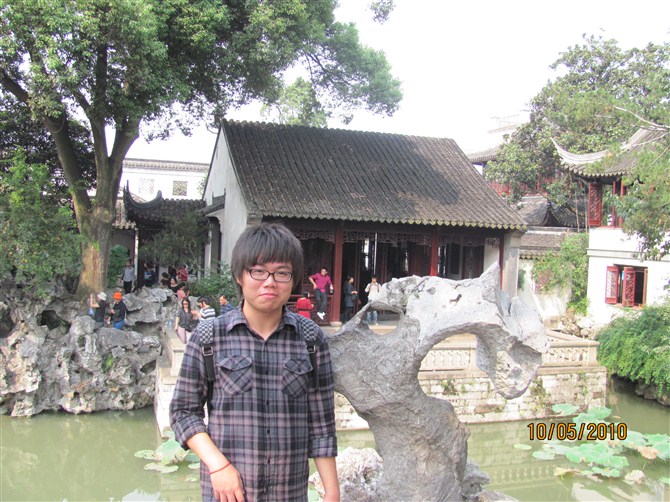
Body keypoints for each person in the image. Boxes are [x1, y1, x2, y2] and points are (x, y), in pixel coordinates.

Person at [170, 222, 339, 502]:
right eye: (258, 271)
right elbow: (183, 413)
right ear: (240, 275)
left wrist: (332, 493)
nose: (270, 282)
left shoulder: (311, 339)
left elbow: (322, 425)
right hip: (228, 493)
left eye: (282, 273)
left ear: (293, 279)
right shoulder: (209, 337)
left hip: (289, 493)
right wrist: (218, 465)